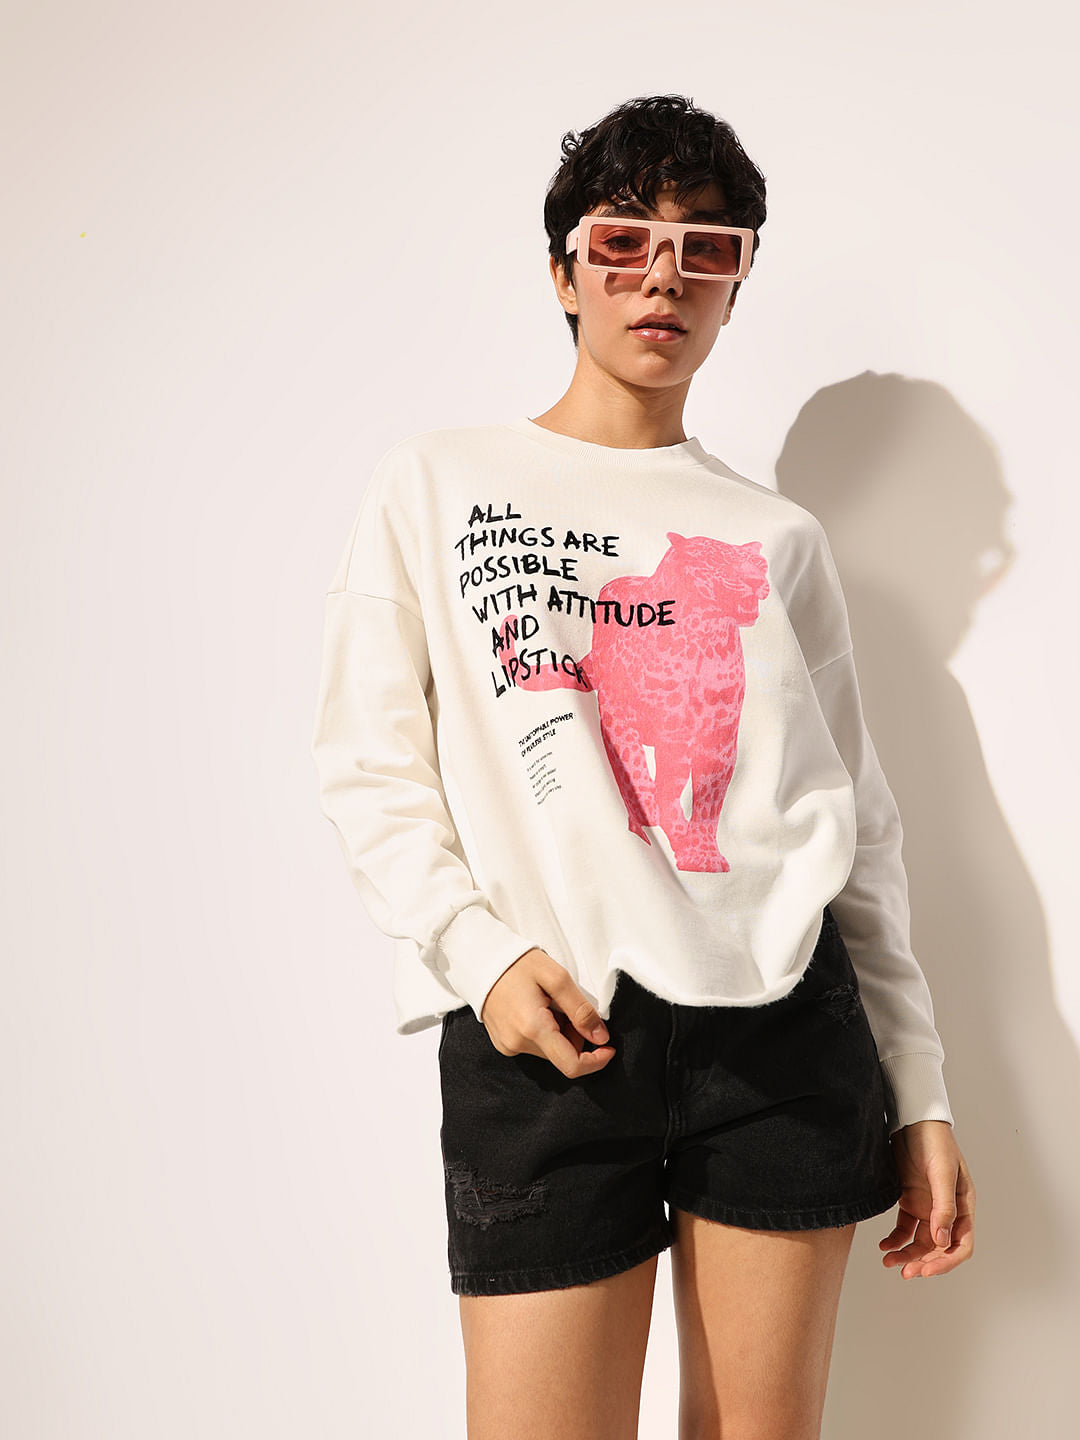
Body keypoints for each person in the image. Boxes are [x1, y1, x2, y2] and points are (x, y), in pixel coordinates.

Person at [309, 93, 976, 1440]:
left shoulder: (776, 538)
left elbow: (855, 824)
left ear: (735, 285)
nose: (663, 276)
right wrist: (479, 955)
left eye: (705, 248)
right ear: (565, 272)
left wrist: (922, 1086)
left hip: (780, 1031)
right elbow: (370, 761)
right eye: (624, 241)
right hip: (549, 1028)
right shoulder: (436, 484)